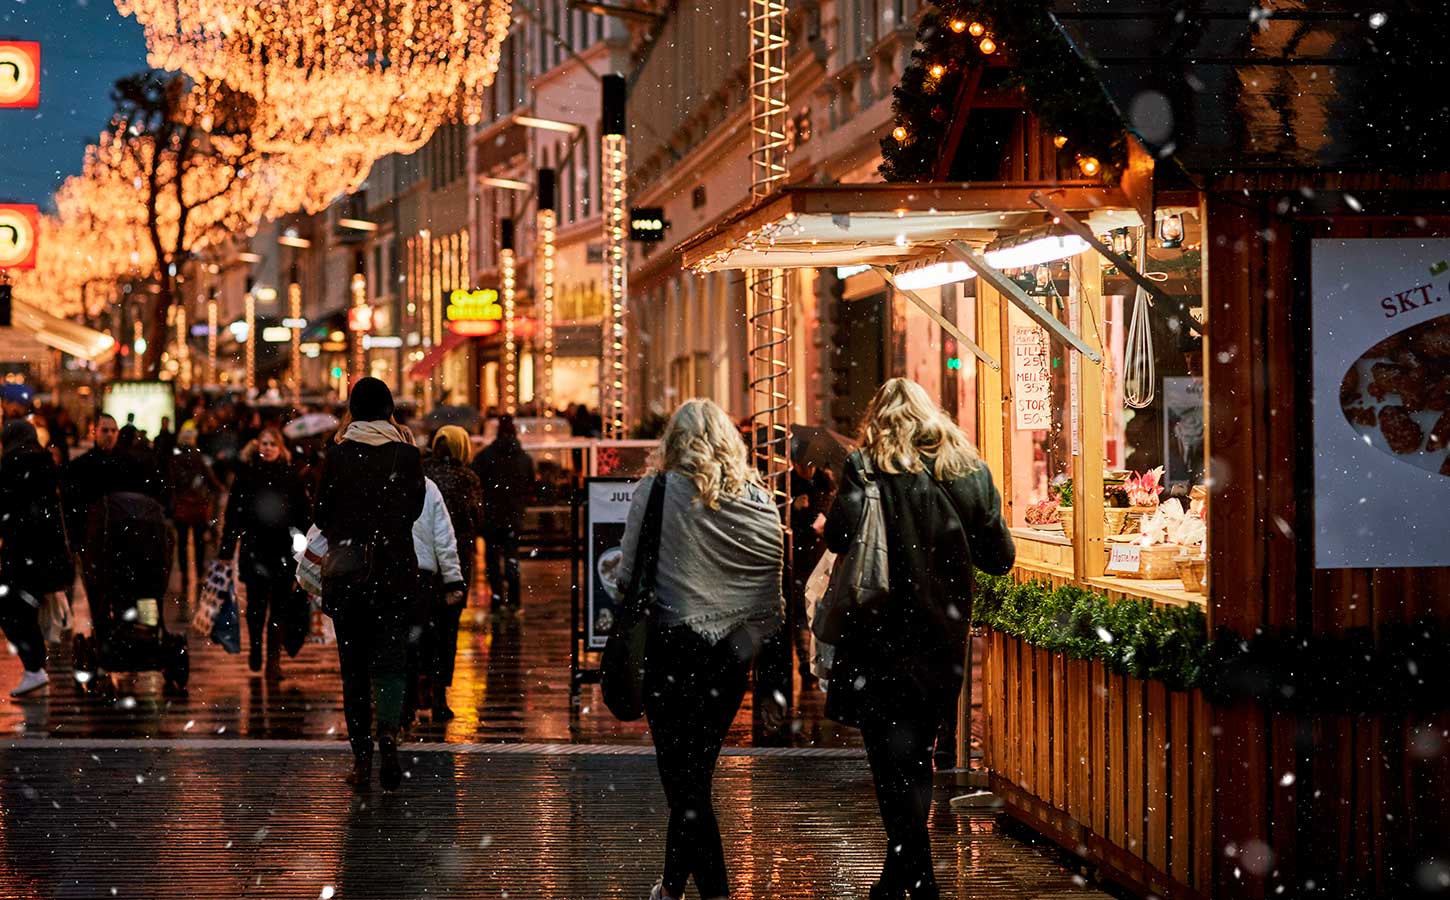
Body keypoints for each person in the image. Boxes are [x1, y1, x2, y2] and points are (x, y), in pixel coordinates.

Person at [824, 378, 1015, 900]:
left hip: (875, 636)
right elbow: (999, 557)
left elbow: (836, 537)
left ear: (878, 420)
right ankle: (911, 878)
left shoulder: (864, 468)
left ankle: (911, 877)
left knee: (889, 760)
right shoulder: (967, 470)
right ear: (935, 418)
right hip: (939, 638)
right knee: (920, 755)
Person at [616, 399, 784, 900]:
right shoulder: (757, 498)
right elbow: (770, 585)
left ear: (674, 440)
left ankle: (713, 892)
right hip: (729, 658)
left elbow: (626, 576)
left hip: (670, 652)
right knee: (695, 776)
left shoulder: (657, 489)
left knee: (683, 783)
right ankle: (672, 887)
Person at [314, 379, 426, 791]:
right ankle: (389, 736)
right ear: (389, 409)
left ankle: (362, 760)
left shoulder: (338, 455)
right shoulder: (408, 455)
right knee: (391, 663)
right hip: (394, 573)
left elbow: (322, 513)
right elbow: (414, 509)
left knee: (354, 670)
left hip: (349, 575)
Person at [219, 427, 310, 678]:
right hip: (255, 548)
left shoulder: (291, 477)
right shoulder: (247, 476)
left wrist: (302, 548)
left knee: (279, 607)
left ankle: (273, 659)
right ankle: (257, 647)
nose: (267, 448)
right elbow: (234, 514)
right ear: (257, 446)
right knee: (257, 606)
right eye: (264, 443)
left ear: (280, 449)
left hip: (282, 549)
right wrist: (227, 546)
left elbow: (302, 515)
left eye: (272, 444)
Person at [0, 420, 73, 698]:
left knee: (10, 609)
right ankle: (35, 667)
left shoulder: (11, 465)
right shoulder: (47, 465)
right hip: (48, 553)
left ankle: (34, 668)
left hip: (21, 551)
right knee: (25, 608)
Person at [421, 425, 483, 720]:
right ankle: (439, 694)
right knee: (448, 629)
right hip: (456, 560)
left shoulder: (421, 473)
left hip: (423, 559)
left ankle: (419, 682)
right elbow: (476, 518)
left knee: (422, 624)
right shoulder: (468, 478)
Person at [402, 474, 466, 727]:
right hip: (422, 572)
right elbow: (444, 537)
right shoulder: (426, 486)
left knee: (397, 642)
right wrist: (453, 578)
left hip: (388, 571)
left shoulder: (376, 479)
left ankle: (401, 708)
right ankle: (418, 698)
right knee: (421, 639)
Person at [471, 415, 534, 613]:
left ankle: (497, 601)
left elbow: (475, 481)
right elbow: (530, 486)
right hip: (514, 516)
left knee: (492, 560)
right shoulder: (524, 458)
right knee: (512, 558)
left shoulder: (485, 456)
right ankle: (515, 601)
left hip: (491, 516)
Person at [788, 444, 836, 687]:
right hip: (798, 554)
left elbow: (832, 509)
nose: (807, 469)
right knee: (799, 610)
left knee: (818, 608)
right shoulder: (788, 484)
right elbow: (782, 518)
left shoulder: (825, 482)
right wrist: (793, 506)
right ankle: (805, 662)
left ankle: (819, 661)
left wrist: (824, 516)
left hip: (820, 553)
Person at [165, 423, 224, 601]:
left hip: (181, 508)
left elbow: (170, 485)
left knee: (182, 544)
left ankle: (184, 574)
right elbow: (213, 483)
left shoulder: (174, 460)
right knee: (199, 543)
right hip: (198, 508)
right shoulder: (199, 459)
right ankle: (199, 574)